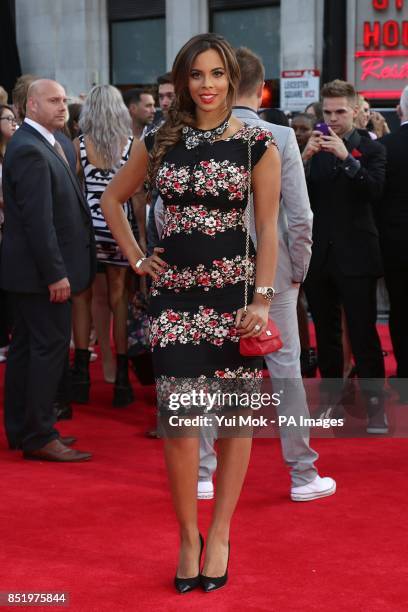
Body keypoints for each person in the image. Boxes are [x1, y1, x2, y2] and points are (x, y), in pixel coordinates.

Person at [101, 33, 281, 593]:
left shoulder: (258, 144)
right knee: (180, 429)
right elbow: (112, 200)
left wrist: (261, 298)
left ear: (233, 79)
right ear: (183, 81)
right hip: (175, 302)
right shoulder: (158, 140)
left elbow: (267, 229)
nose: (207, 85)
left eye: (217, 74)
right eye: (196, 75)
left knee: (232, 425)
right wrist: (135, 256)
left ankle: (221, 532)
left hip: (235, 302)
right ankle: (187, 536)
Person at [196, 46, 335, 503]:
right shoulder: (277, 135)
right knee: (285, 371)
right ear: (261, 89)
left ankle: (201, 472)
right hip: (272, 275)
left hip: (212, 270)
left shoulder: (197, 134)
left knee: (210, 369)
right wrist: (299, 270)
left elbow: (164, 212)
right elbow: (301, 216)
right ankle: (301, 474)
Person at [1, 79, 96, 461]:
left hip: (34, 273)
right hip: (42, 276)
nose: (63, 106)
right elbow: (37, 222)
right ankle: (39, 434)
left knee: (27, 349)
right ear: (31, 105)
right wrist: (56, 274)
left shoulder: (39, 143)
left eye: (64, 100)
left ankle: (24, 430)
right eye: (54, 101)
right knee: (46, 349)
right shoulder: (31, 149)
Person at [302, 79, 387, 434]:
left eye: (340, 112)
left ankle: (375, 409)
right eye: (327, 112)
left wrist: (345, 159)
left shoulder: (372, 149)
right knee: (326, 335)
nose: (333, 119)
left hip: (357, 255)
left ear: (355, 111)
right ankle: (330, 402)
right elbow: (297, 200)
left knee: (364, 334)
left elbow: (374, 192)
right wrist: (303, 161)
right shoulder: (311, 150)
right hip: (320, 256)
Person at [70, 85, 136, 407]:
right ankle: (122, 380)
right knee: (118, 296)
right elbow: (137, 198)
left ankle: (81, 374)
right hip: (118, 228)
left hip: (87, 229)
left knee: (81, 297)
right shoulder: (131, 147)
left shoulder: (79, 146)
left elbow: (72, 192)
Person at [378, 86, 408, 404]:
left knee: (400, 311)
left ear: (400, 111)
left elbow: (378, 199)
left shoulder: (386, 146)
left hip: (396, 244)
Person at [0, 104, 18, 362]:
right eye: (7, 119)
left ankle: (6, 337)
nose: (14, 123)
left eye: (15, 119)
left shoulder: (12, 152)